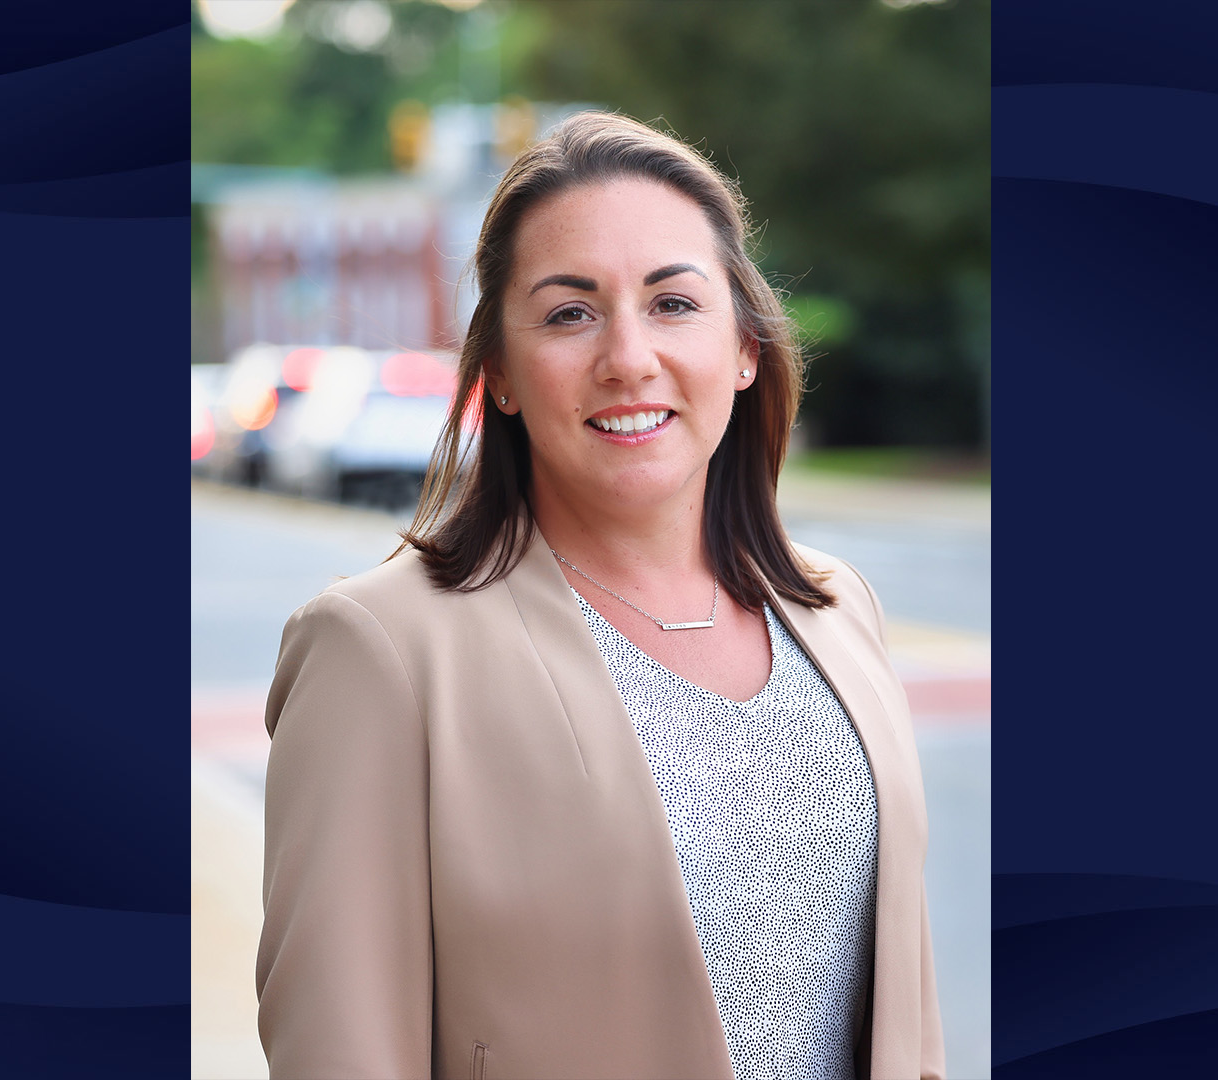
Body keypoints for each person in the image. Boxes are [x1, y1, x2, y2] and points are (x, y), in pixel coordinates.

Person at [256, 111, 943, 1080]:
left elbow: (903, 1021)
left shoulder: (837, 613)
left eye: (673, 304)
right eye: (570, 313)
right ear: (497, 372)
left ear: (744, 348)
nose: (628, 357)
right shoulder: (381, 651)